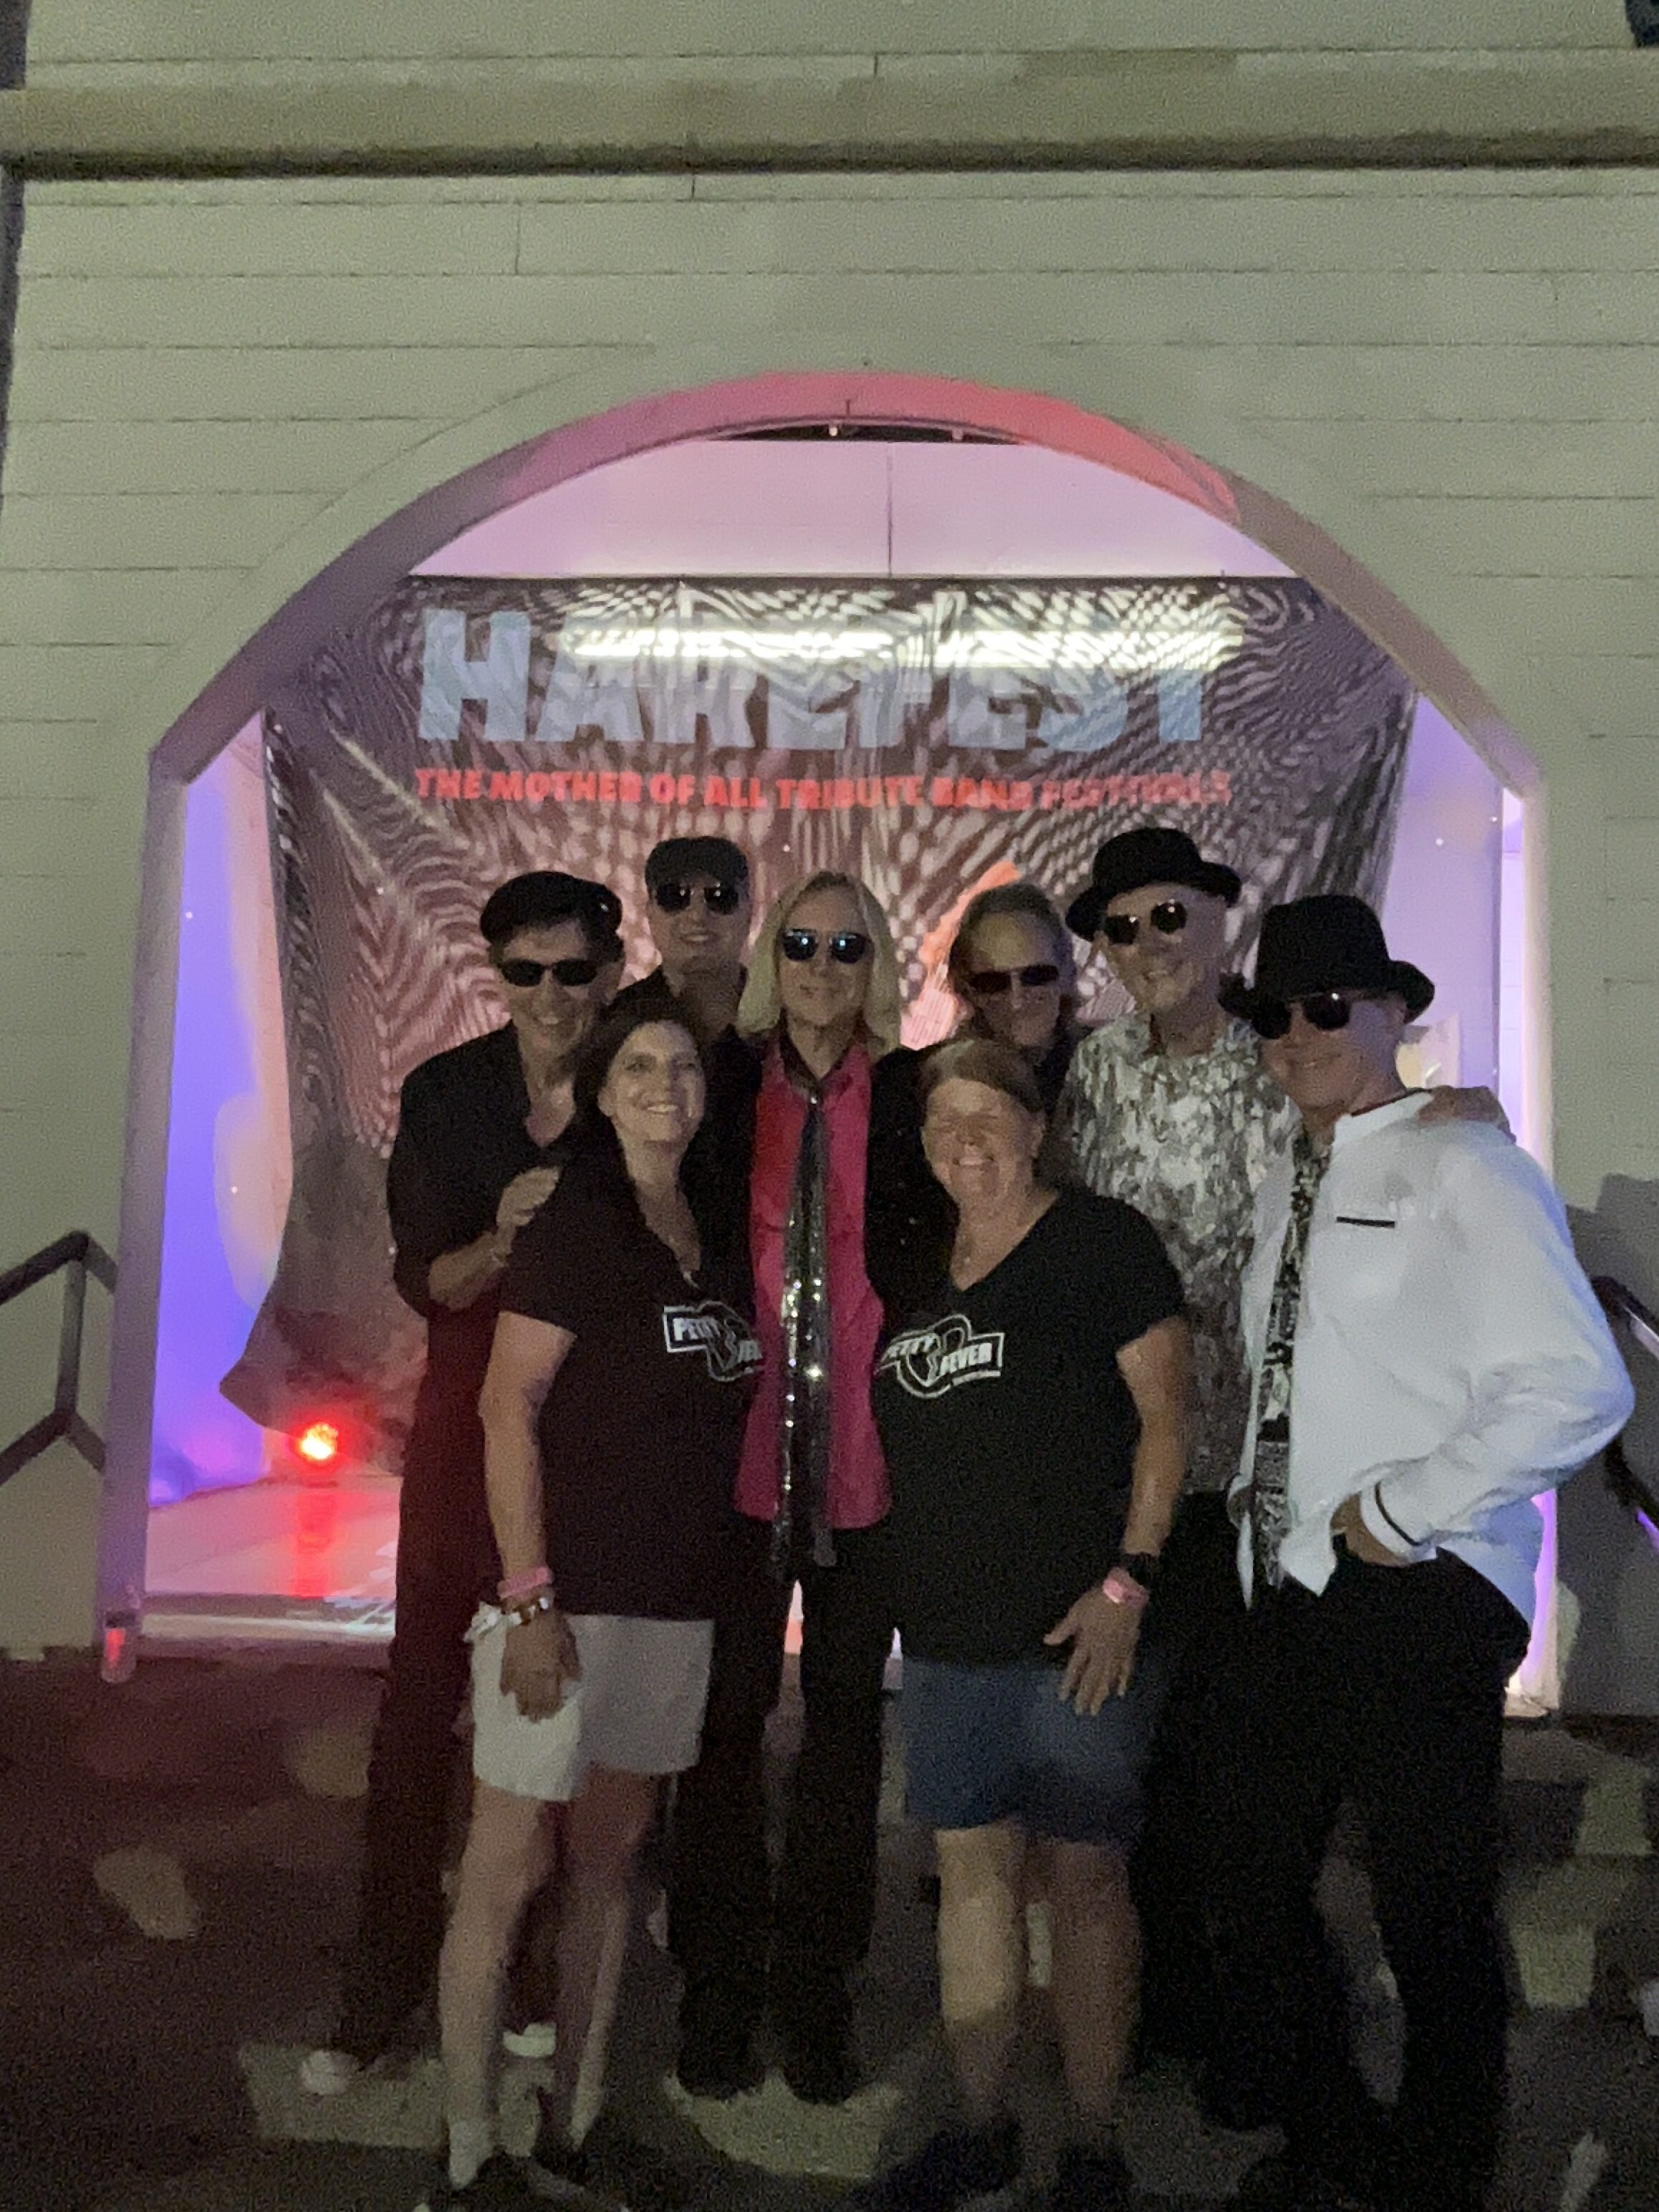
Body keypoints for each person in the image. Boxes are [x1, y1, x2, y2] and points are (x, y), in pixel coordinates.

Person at [1057, 824, 1502, 2092]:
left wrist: (1461, 1110)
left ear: (1217, 922)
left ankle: (1256, 2034)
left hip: (1267, 1486)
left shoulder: (1286, 1055)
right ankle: (1166, 2010)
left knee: (1237, 1778)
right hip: (1130, 1468)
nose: (1148, 943)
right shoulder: (1095, 1072)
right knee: (1142, 1762)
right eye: (1123, 927)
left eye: (1170, 916)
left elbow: (1392, 1134)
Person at [1208, 895, 1632, 2212]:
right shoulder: (1287, 1174)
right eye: (1275, 1014)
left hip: (1425, 1580)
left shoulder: (1467, 1166)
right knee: (1245, 1871)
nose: (1297, 1034)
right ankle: (1333, 2137)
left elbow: (1578, 1385)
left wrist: (1403, 1511)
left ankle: (1440, 2172)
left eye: (1328, 1008)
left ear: (1392, 1012)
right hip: (1294, 1578)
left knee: (1431, 1900)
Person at [418, 1006, 761, 2210]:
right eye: (639, 1067)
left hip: (672, 1599)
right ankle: (468, 2154)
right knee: (505, 1867)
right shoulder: (580, 1217)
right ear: (603, 1093)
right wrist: (527, 1598)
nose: (666, 1084)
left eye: (683, 1066)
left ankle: (573, 2123)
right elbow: (505, 1406)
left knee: (608, 1869)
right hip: (565, 1601)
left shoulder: (710, 1232)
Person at [852, 1038, 1189, 2212]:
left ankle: (1093, 2142)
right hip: (948, 1633)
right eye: (945, 1122)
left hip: (1075, 1631)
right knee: (974, 1880)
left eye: (989, 1117)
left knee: (1087, 1879)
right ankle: (981, 2126)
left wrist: (1129, 1582)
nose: (967, 1142)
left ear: (1036, 1127)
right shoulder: (917, 1268)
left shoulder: (1102, 1243)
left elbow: (1167, 1418)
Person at [304, 870, 622, 2095]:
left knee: (553, 1709)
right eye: (525, 971)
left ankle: (528, 1965)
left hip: (582, 1450)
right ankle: (380, 1981)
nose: (552, 993)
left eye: (573, 970)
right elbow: (427, 1280)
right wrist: (504, 1236)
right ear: (496, 974)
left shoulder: (641, 1085)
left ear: (607, 970)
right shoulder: (449, 1092)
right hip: (458, 1442)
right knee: (418, 1711)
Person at [667, 870, 949, 2105]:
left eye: (848, 945)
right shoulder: (720, 1081)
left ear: (877, 961)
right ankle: (718, 1990)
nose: (824, 965)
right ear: (771, 958)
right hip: (734, 1446)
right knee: (721, 1732)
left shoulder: (919, 1091)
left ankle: (818, 1991)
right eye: (801, 942)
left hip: (868, 1455)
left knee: (843, 1738)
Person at [945, 880, 1089, 1114]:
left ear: (1066, 973)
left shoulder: (1113, 1067)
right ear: (969, 989)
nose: (1017, 1000)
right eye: (993, 983)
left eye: (1036, 976)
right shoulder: (939, 1081)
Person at [609, 834, 751, 1049]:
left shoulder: (787, 1016)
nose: (698, 915)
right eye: (674, 896)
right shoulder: (613, 1024)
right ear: (650, 912)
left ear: (749, 911)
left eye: (720, 897)